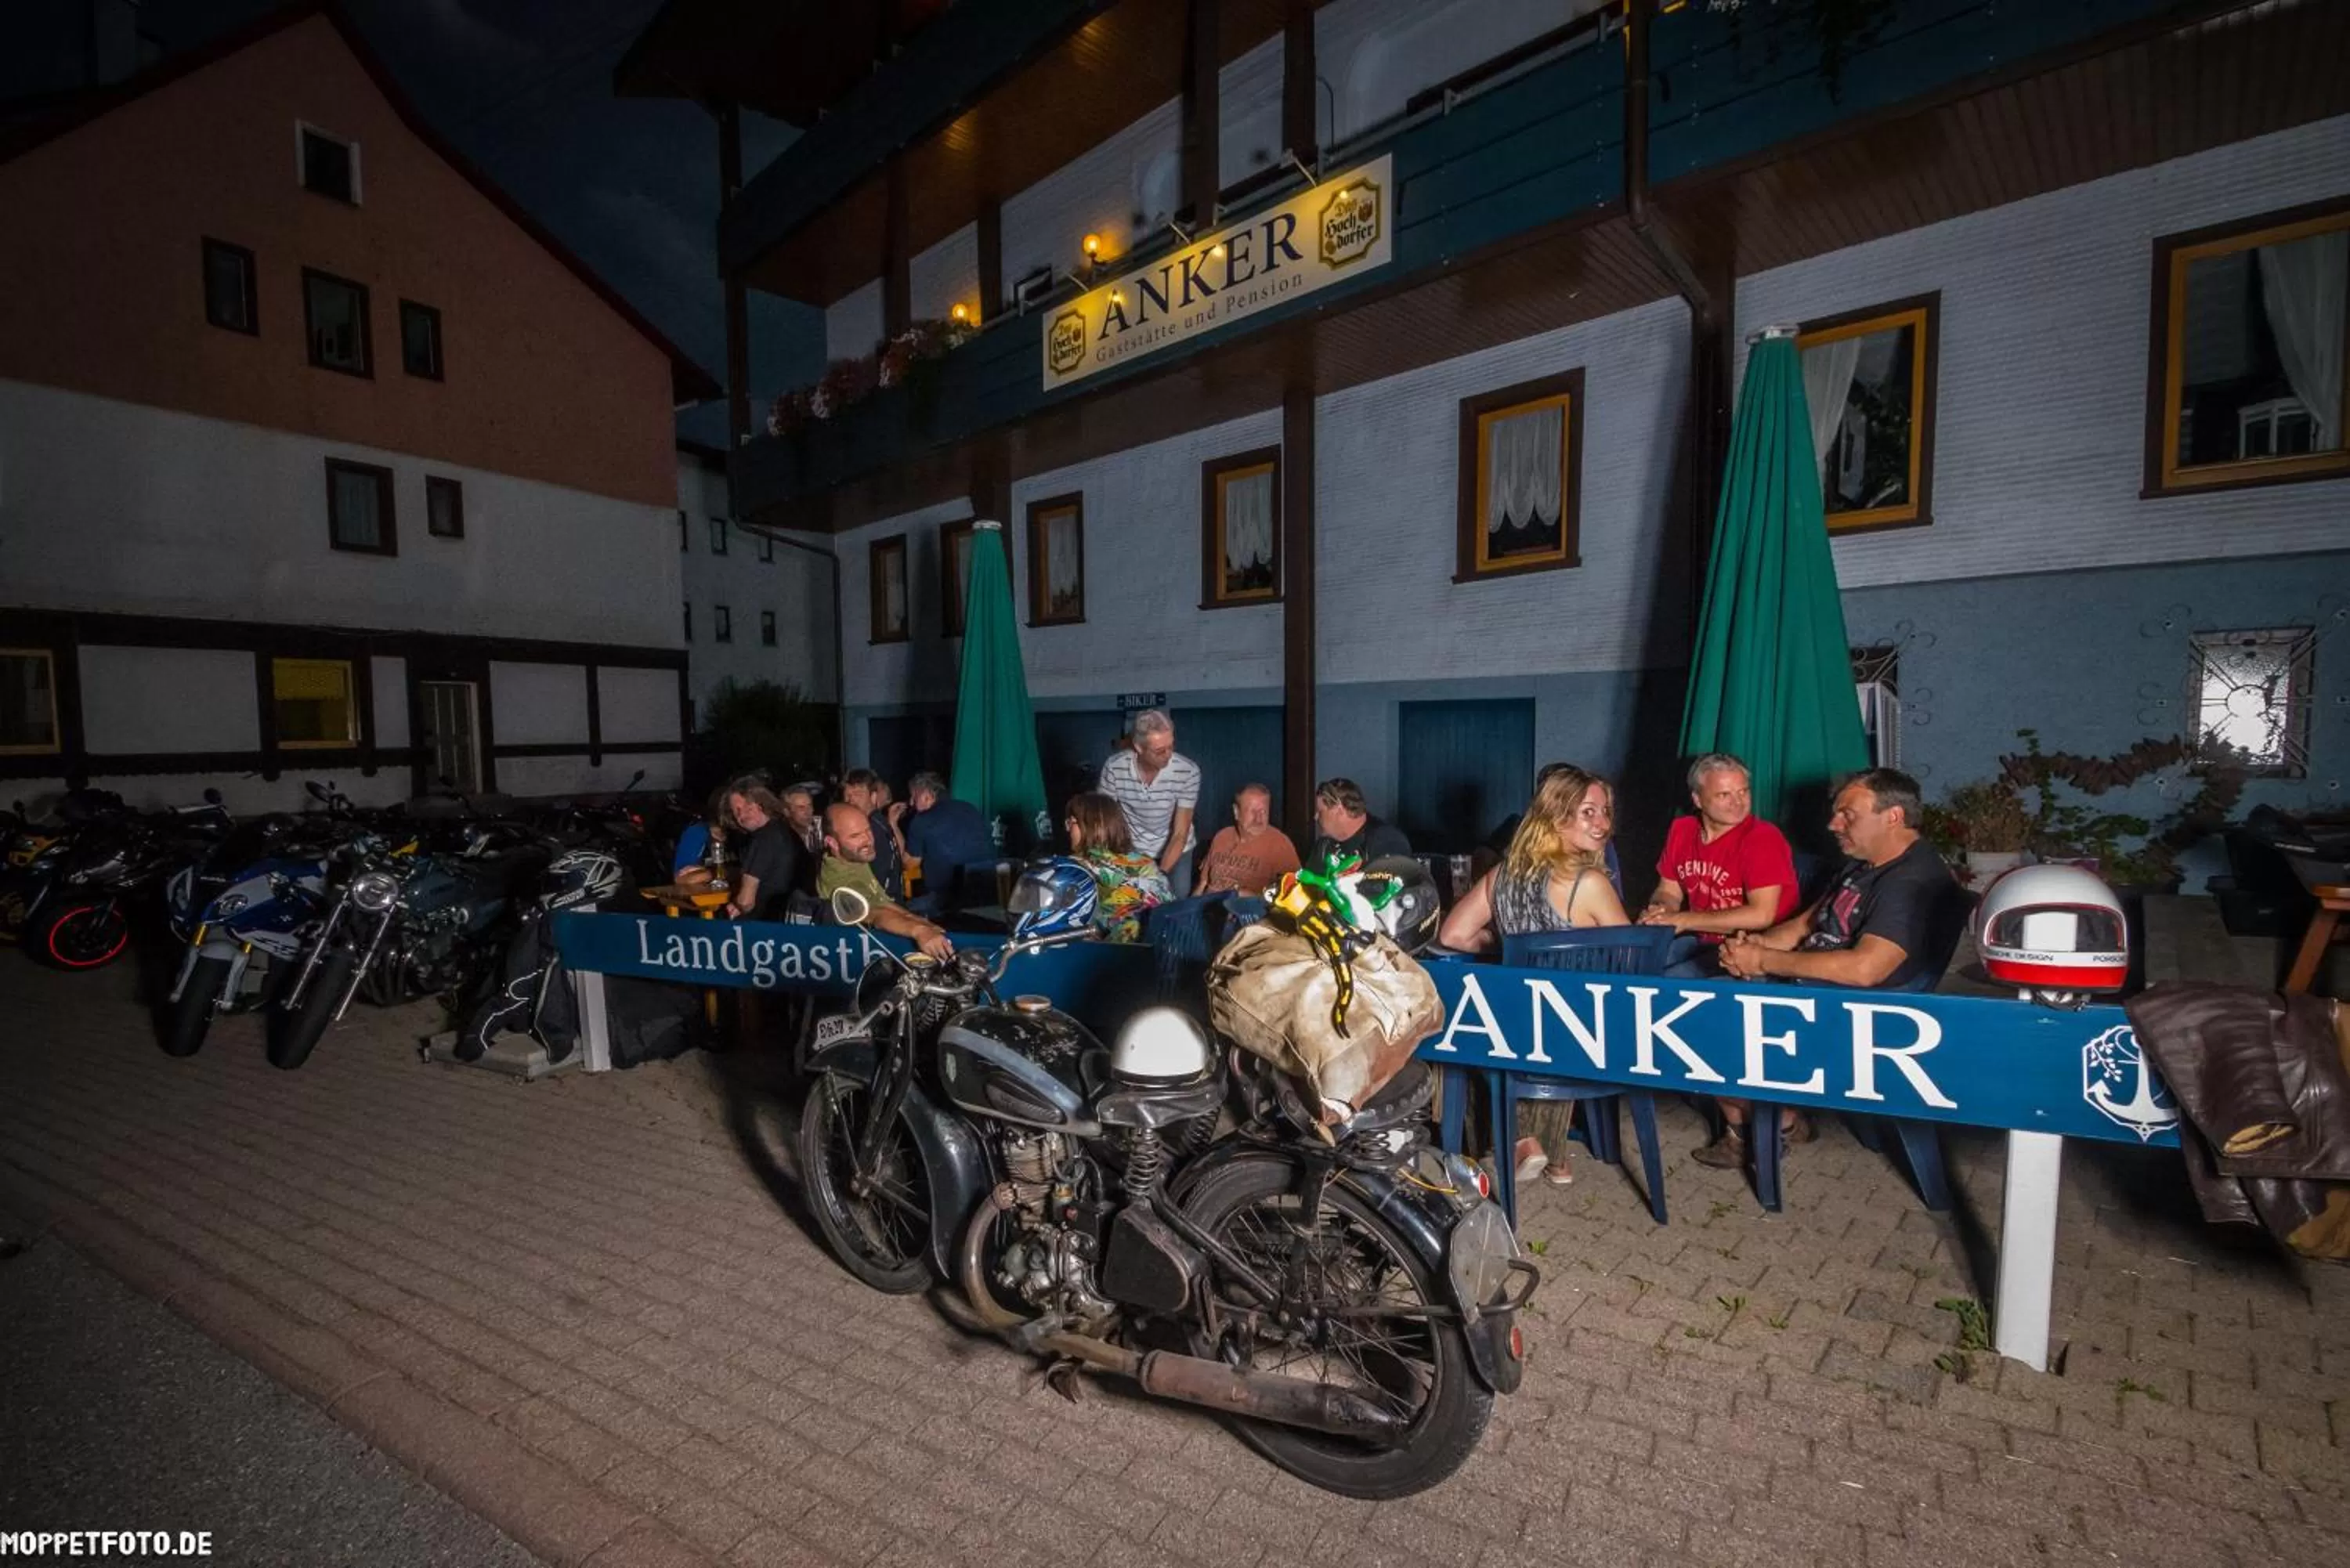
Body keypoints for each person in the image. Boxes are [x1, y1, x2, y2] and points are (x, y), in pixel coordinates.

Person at [1705, 767, 1965, 1170]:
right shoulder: (1866, 863)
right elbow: (1807, 924)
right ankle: (1769, 1127)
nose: (1833, 823)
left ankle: (1780, 1121)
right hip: (1809, 992)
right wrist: (1752, 946)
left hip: (1853, 1018)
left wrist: (1764, 961)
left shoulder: (1910, 880)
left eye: (1848, 814)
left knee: (1700, 1034)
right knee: (1701, 1003)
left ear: (1893, 816)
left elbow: (1866, 969)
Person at [1437, 765, 1630, 1187]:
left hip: (1516, 1026)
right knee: (1565, 1012)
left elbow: (1453, 935)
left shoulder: (1500, 876)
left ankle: (1529, 1146)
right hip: (1585, 1032)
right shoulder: (1590, 882)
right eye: (1589, 812)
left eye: (1605, 812)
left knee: (1474, 1039)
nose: (1603, 823)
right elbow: (1627, 959)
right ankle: (1536, 1146)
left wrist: (1505, 945)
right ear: (1557, 817)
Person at [1638, 753, 1801, 975]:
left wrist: (1683, 920)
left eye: (1743, 791)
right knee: (1637, 965)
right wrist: (1661, 910)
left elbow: (1762, 914)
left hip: (1753, 950)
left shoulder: (1763, 838)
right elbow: (1668, 890)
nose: (1738, 802)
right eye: (1724, 795)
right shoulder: (1682, 830)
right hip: (1702, 939)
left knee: (1672, 980)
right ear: (1697, 799)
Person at [815, 803, 953, 959]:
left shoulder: (852, 859)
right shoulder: (842, 880)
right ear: (832, 843)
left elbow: (882, 901)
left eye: (868, 830)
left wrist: (921, 923)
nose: (868, 840)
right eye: (855, 836)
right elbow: (876, 914)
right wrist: (919, 931)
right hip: (856, 954)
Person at [1097, 709, 1200, 893]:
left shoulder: (1188, 771)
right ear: (1139, 747)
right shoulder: (1114, 768)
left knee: (1175, 903)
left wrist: (1158, 877)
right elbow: (1105, 820)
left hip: (1178, 848)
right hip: (1132, 847)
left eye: (1171, 746)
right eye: (1160, 751)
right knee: (1131, 903)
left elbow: (1180, 834)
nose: (1168, 755)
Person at [1064, 791, 1172, 943]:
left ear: (1094, 825)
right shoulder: (1144, 863)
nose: (1067, 829)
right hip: (1159, 951)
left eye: (1071, 822)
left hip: (1103, 956)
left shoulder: (1072, 868)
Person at [895, 771, 996, 905]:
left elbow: (909, 864)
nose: (911, 803)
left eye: (914, 797)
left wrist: (893, 824)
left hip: (945, 901)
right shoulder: (969, 808)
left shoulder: (922, 821)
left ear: (926, 795)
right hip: (988, 895)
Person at [1195, 782, 1301, 897]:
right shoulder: (1221, 837)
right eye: (1253, 812)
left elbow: (1294, 895)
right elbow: (1202, 884)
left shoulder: (1280, 844)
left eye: (1263, 812)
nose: (1258, 819)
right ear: (1236, 812)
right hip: (1207, 909)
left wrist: (1251, 896)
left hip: (1249, 912)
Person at [719, 778, 801, 921]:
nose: (743, 814)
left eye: (748, 806)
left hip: (759, 927)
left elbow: (746, 902)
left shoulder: (762, 840)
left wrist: (736, 905)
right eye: (737, 811)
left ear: (761, 802)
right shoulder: (783, 830)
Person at [1311, 778, 1412, 865]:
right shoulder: (1324, 846)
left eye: (1320, 812)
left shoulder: (1387, 841)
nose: (1316, 817)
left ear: (1339, 810)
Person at [839, 768, 905, 897]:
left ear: (873, 797)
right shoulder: (879, 821)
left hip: (882, 905)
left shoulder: (871, 829)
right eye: (847, 795)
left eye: (858, 794)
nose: (851, 801)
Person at [671, 785, 732, 887]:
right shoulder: (697, 832)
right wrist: (719, 873)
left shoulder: (742, 835)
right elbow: (682, 878)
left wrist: (707, 872)